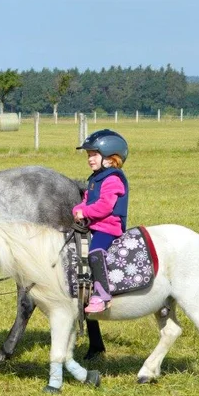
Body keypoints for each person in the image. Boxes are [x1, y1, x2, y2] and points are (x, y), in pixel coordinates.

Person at [72, 129, 130, 314]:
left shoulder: (113, 179)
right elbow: (86, 201)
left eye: (94, 155)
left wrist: (85, 212)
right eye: (88, 155)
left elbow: (105, 206)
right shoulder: (95, 179)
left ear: (110, 157)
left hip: (108, 228)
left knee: (95, 253)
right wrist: (77, 209)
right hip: (94, 225)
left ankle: (102, 295)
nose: (89, 159)